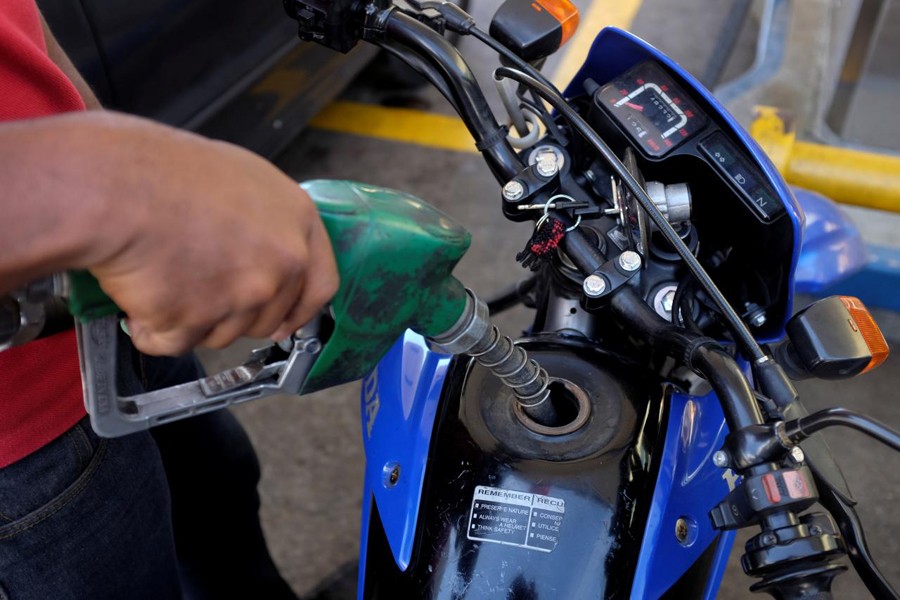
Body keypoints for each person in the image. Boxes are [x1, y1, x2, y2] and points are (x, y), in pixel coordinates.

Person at [0, 1, 339, 598]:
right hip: (22, 450)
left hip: (112, 309)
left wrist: (95, 131)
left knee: (220, 504)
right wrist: (116, 181)